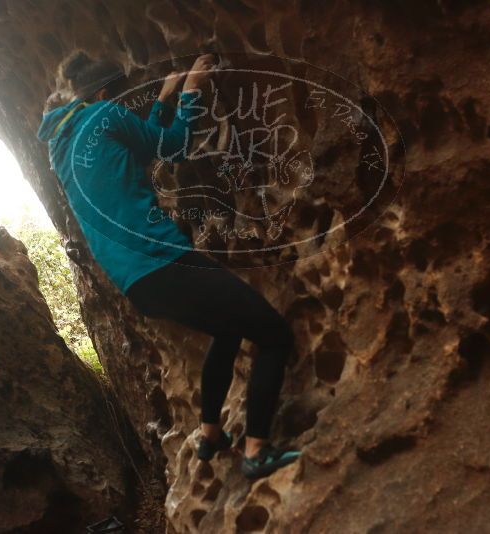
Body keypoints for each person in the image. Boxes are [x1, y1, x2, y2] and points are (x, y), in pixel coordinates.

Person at [36, 50, 300, 480]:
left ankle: (211, 434)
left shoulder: (67, 148)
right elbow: (173, 147)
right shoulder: (105, 112)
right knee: (273, 334)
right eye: (117, 99)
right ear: (103, 94)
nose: (119, 106)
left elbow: (140, 151)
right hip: (166, 260)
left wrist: (163, 98)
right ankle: (257, 450)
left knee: (229, 328)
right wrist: (193, 88)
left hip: (138, 283)